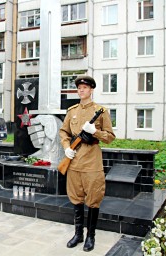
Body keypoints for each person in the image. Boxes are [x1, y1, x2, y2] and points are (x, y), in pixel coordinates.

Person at [59, 75, 115, 252]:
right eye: (79, 88)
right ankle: (78, 234)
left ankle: (90, 236)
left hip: (92, 163)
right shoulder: (72, 111)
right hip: (74, 162)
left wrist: (95, 132)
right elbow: (64, 132)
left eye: (84, 87)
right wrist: (67, 147)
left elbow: (110, 137)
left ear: (91, 90)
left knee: (93, 200)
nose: (81, 90)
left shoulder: (101, 111)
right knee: (76, 199)